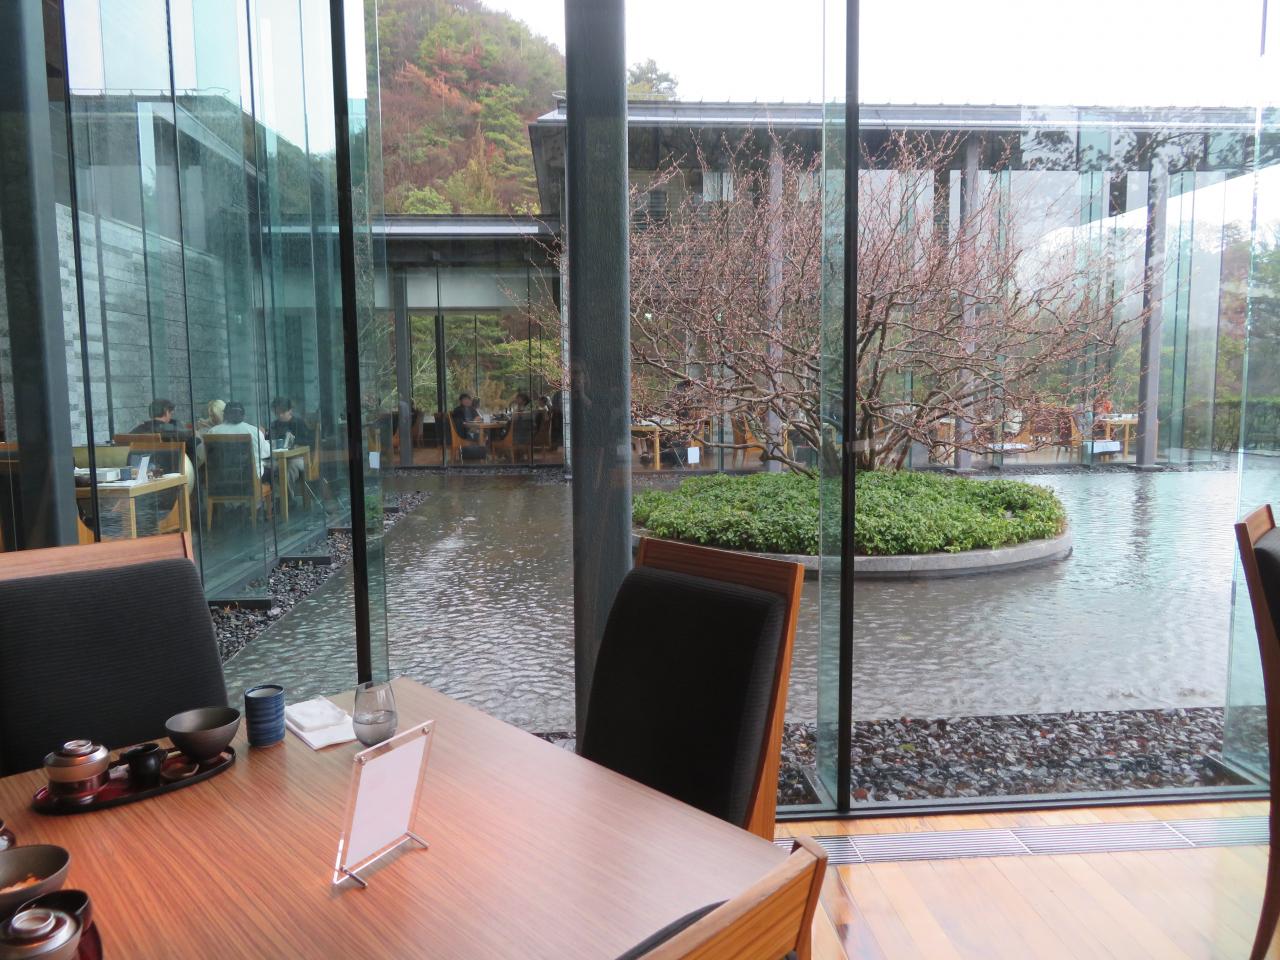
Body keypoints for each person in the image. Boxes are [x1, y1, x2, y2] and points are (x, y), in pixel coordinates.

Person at [206, 401, 272, 480]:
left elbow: (206, 455)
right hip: (250, 479)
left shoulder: (213, 432)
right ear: (244, 415)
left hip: (221, 479)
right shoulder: (254, 431)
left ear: (224, 415)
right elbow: (267, 452)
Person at [268, 397, 312, 491]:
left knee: (288, 469)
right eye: (277, 413)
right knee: (265, 468)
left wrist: (296, 445)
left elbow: (308, 442)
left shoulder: (299, 423)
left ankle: (287, 498)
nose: (280, 415)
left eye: (283, 412)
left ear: (290, 410)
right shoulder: (274, 425)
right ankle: (273, 496)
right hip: (278, 459)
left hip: (298, 458)